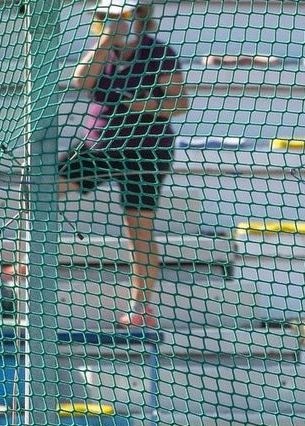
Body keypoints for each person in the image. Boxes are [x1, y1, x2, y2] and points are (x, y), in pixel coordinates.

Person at [61, 0, 190, 328]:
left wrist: (139, 103)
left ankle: (141, 308)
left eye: (117, 17)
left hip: (146, 152)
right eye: (104, 17)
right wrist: (105, 42)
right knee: (46, 187)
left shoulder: (158, 52)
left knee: (139, 231)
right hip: (101, 147)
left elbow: (179, 102)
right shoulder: (101, 51)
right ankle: (24, 260)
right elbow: (81, 82)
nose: (109, 22)